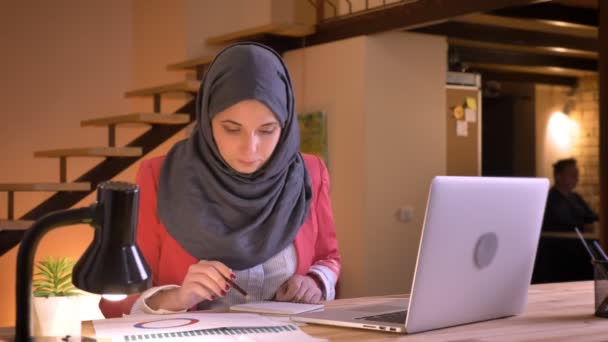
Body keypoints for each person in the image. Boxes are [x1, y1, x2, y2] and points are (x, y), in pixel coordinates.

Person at [99, 43, 341, 317]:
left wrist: (315, 280)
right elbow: (116, 299)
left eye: (267, 130)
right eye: (231, 129)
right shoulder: (159, 176)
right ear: (207, 118)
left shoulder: (310, 173)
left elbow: (328, 258)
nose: (250, 149)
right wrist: (177, 296)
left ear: (284, 127)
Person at [541, 158, 598, 233]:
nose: (576, 178)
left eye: (577, 174)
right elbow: (560, 225)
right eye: (572, 174)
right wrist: (583, 227)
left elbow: (591, 216)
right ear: (558, 176)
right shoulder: (549, 200)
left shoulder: (576, 197)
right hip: (563, 242)